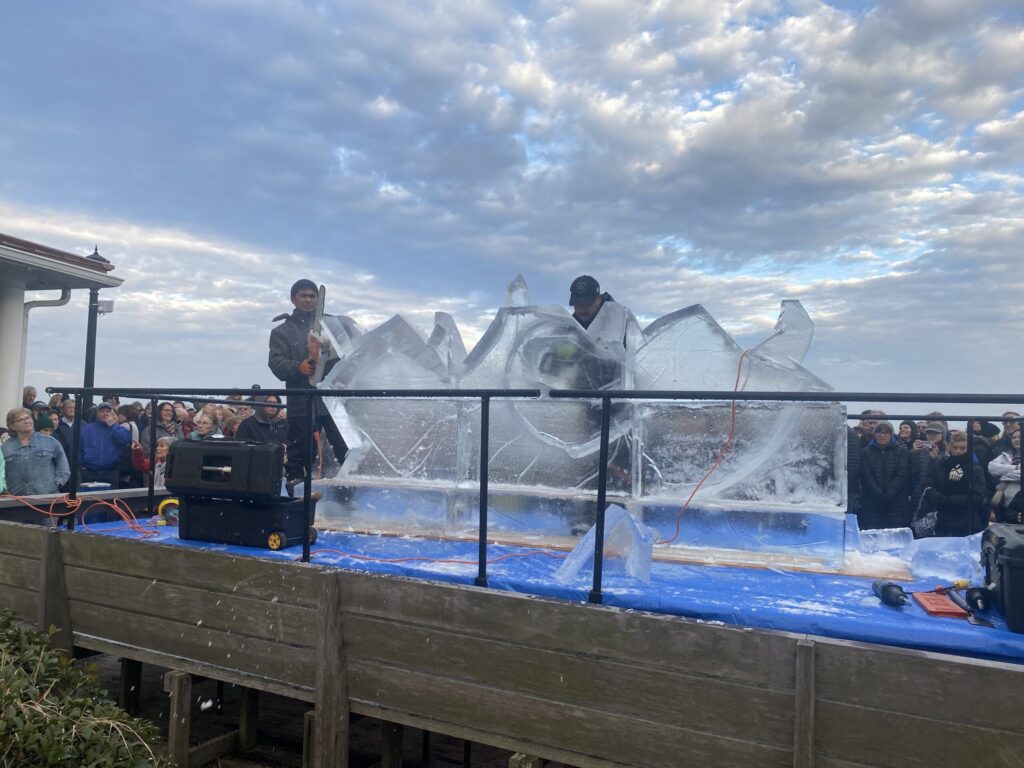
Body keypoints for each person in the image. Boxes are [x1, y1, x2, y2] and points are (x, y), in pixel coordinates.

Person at [268, 278, 348, 482]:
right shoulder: (281, 331)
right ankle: (295, 497)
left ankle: (352, 496)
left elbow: (349, 351)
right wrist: (298, 367)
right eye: (303, 296)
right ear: (293, 299)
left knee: (345, 448)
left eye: (312, 296)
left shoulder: (333, 325)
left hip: (332, 399)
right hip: (301, 400)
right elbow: (276, 363)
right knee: (300, 452)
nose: (308, 300)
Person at [917, 430, 987, 537]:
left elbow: (977, 496)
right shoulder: (939, 465)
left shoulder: (975, 469)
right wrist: (937, 497)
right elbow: (928, 484)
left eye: (962, 448)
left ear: (968, 449)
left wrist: (948, 500)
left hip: (967, 518)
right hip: (942, 517)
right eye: (955, 447)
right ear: (950, 447)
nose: (958, 451)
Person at [2, 407, 70, 495]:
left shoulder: (51, 442)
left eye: (28, 418)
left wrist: (56, 483)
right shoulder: (5, 448)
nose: (27, 421)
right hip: (15, 500)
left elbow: (64, 468)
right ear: (11, 426)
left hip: (47, 498)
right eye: (20, 420)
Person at [859, 422, 909, 530]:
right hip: (871, 501)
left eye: (886, 433)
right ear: (874, 435)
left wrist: (890, 494)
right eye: (879, 432)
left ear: (891, 435)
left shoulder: (902, 452)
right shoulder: (865, 452)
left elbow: (901, 474)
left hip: (896, 502)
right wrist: (879, 494)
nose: (882, 436)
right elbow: (866, 476)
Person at [79, 402, 131, 488]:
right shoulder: (87, 429)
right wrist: (82, 466)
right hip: (89, 471)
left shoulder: (119, 428)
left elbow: (125, 440)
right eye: (102, 411)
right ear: (97, 413)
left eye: (108, 411)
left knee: (110, 499)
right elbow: (78, 448)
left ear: (112, 414)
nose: (105, 413)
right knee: (90, 499)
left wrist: (113, 426)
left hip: (111, 471)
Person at [989, 431, 1022, 524]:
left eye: (1020, 437)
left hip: (1019, 503)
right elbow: (992, 468)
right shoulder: (1006, 455)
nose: (1017, 439)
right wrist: (1017, 468)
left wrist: (1003, 475)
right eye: (1014, 437)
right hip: (1003, 501)